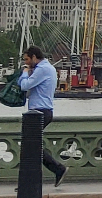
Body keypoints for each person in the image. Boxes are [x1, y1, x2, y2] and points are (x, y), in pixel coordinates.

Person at [16, 45, 65, 186]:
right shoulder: (44, 69)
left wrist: (26, 72)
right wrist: (27, 73)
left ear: (34, 57)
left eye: (27, 59)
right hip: (40, 111)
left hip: (39, 112)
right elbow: (22, 83)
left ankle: (58, 169)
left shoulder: (43, 69)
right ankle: (32, 181)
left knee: (30, 146)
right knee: (31, 146)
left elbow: (24, 86)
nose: (26, 63)